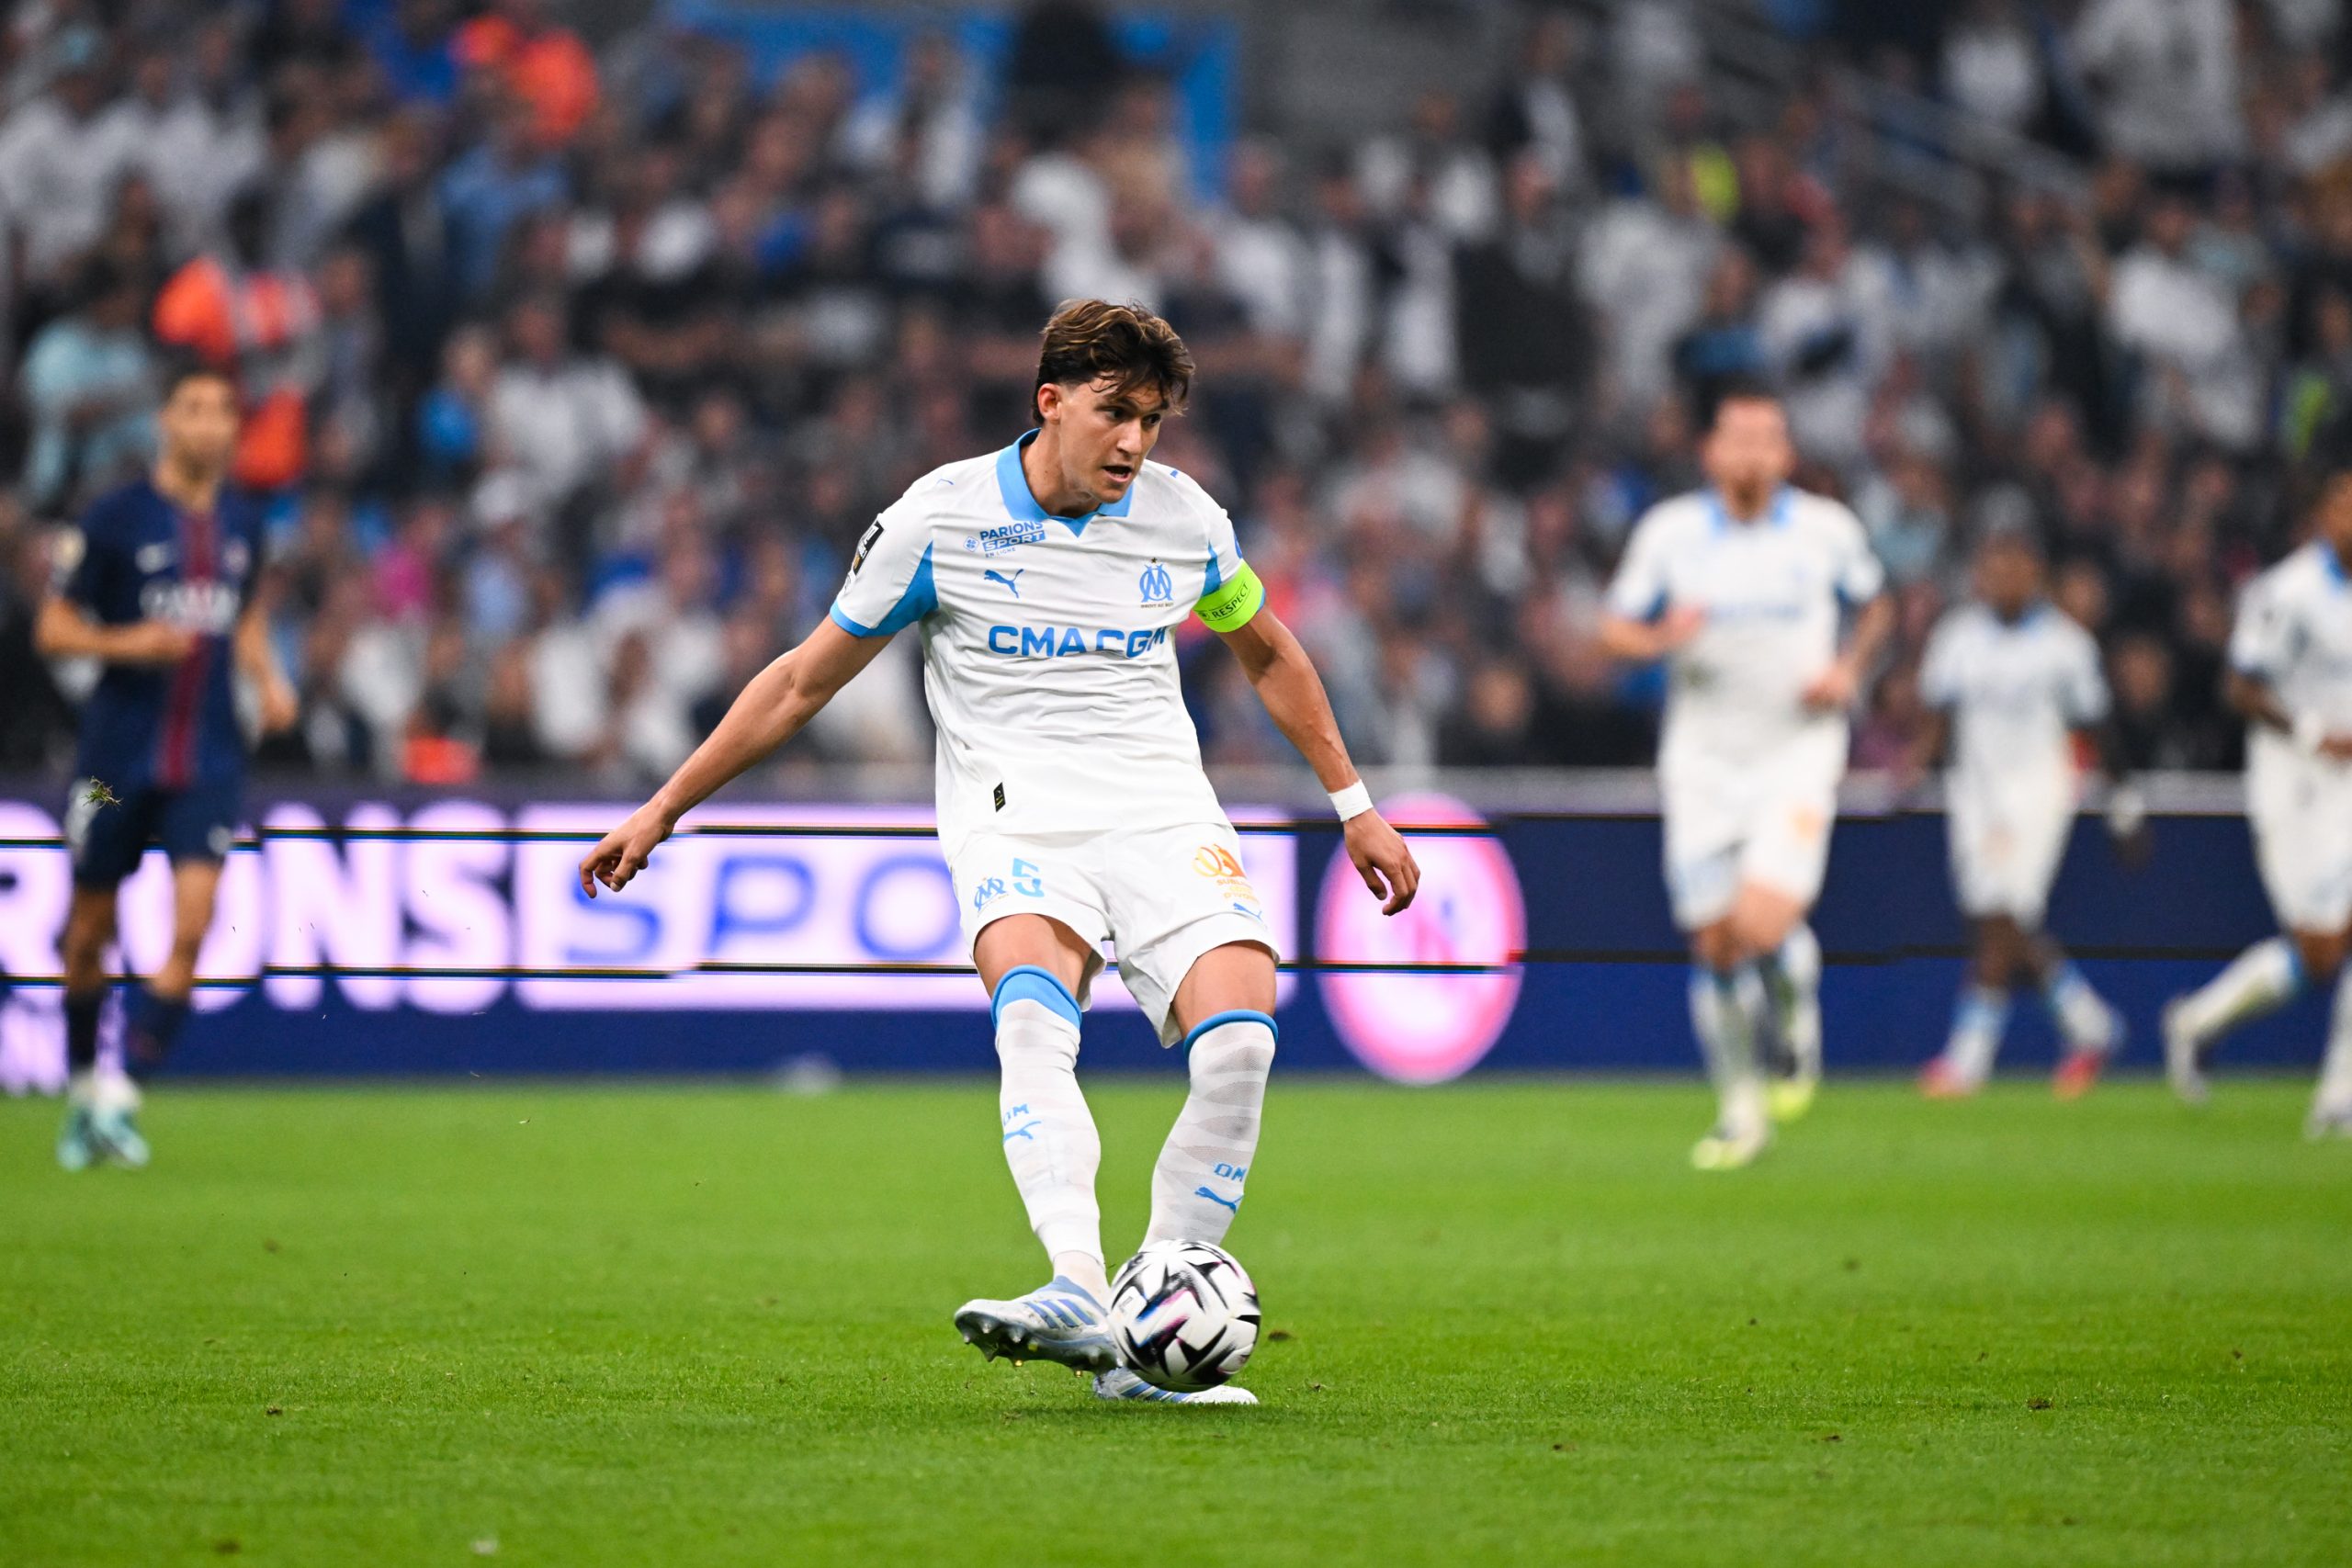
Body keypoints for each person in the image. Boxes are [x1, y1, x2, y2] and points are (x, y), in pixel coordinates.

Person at [579, 300, 1419, 1402]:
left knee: (1240, 1049)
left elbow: (1267, 652)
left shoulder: (1186, 522)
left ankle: (1146, 1332)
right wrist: (665, 808)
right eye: (1115, 413)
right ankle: (1074, 1282)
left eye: (1154, 422)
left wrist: (1353, 802)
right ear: (1051, 400)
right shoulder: (939, 520)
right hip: (1014, 818)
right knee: (1033, 1017)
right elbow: (801, 681)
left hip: (1163, 812)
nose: (1133, 443)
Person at [1598, 381, 1890, 1169]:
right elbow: (1613, 629)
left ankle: (1794, 1010)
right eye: (1740, 437)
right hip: (1701, 760)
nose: (1754, 451)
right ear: (1712, 452)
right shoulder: (1674, 532)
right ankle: (1740, 1109)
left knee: (1760, 923)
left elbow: (1876, 606)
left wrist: (1847, 670)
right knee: (1715, 943)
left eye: (1769, 437)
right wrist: (1661, 635)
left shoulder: (1825, 531)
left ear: (1786, 452)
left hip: (1797, 751)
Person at [34, 363, 299, 1169]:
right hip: (114, 762)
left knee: (192, 926)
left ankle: (121, 1093)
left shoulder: (246, 524)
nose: (210, 423)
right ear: (166, 422)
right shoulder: (115, 518)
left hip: (207, 761)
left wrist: (266, 675)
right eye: (194, 408)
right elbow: (53, 628)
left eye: (223, 410)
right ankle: (84, 1090)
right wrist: (128, 643)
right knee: (89, 934)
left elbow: (244, 615)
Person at [1909, 528, 2142, 1100]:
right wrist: (1914, 765)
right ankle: (2092, 1027)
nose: (2004, 578)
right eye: (1994, 566)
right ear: (1980, 573)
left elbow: (2096, 727)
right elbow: (1939, 715)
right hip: (1974, 796)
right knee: (1997, 917)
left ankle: (1968, 1060)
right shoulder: (1957, 638)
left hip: (2040, 793)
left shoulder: (2066, 645)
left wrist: (2123, 804)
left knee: (2004, 916)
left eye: (2015, 566)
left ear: (2035, 573)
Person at [2163, 459, 2352, 1137]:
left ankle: (2340, 1094)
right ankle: (2195, 1022)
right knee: (2320, 950)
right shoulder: (2286, 592)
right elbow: (2240, 686)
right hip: (2296, 782)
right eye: (2344, 501)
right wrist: (2309, 731)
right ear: (2323, 513)